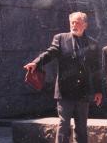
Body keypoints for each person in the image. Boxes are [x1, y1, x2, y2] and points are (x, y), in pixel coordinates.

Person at [23, 12, 102, 143]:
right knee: (63, 126)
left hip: (83, 92)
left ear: (85, 25)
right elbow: (50, 53)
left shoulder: (93, 43)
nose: (74, 25)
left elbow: (96, 69)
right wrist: (36, 63)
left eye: (77, 22)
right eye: (72, 22)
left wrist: (98, 90)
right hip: (65, 92)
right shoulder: (60, 38)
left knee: (81, 128)